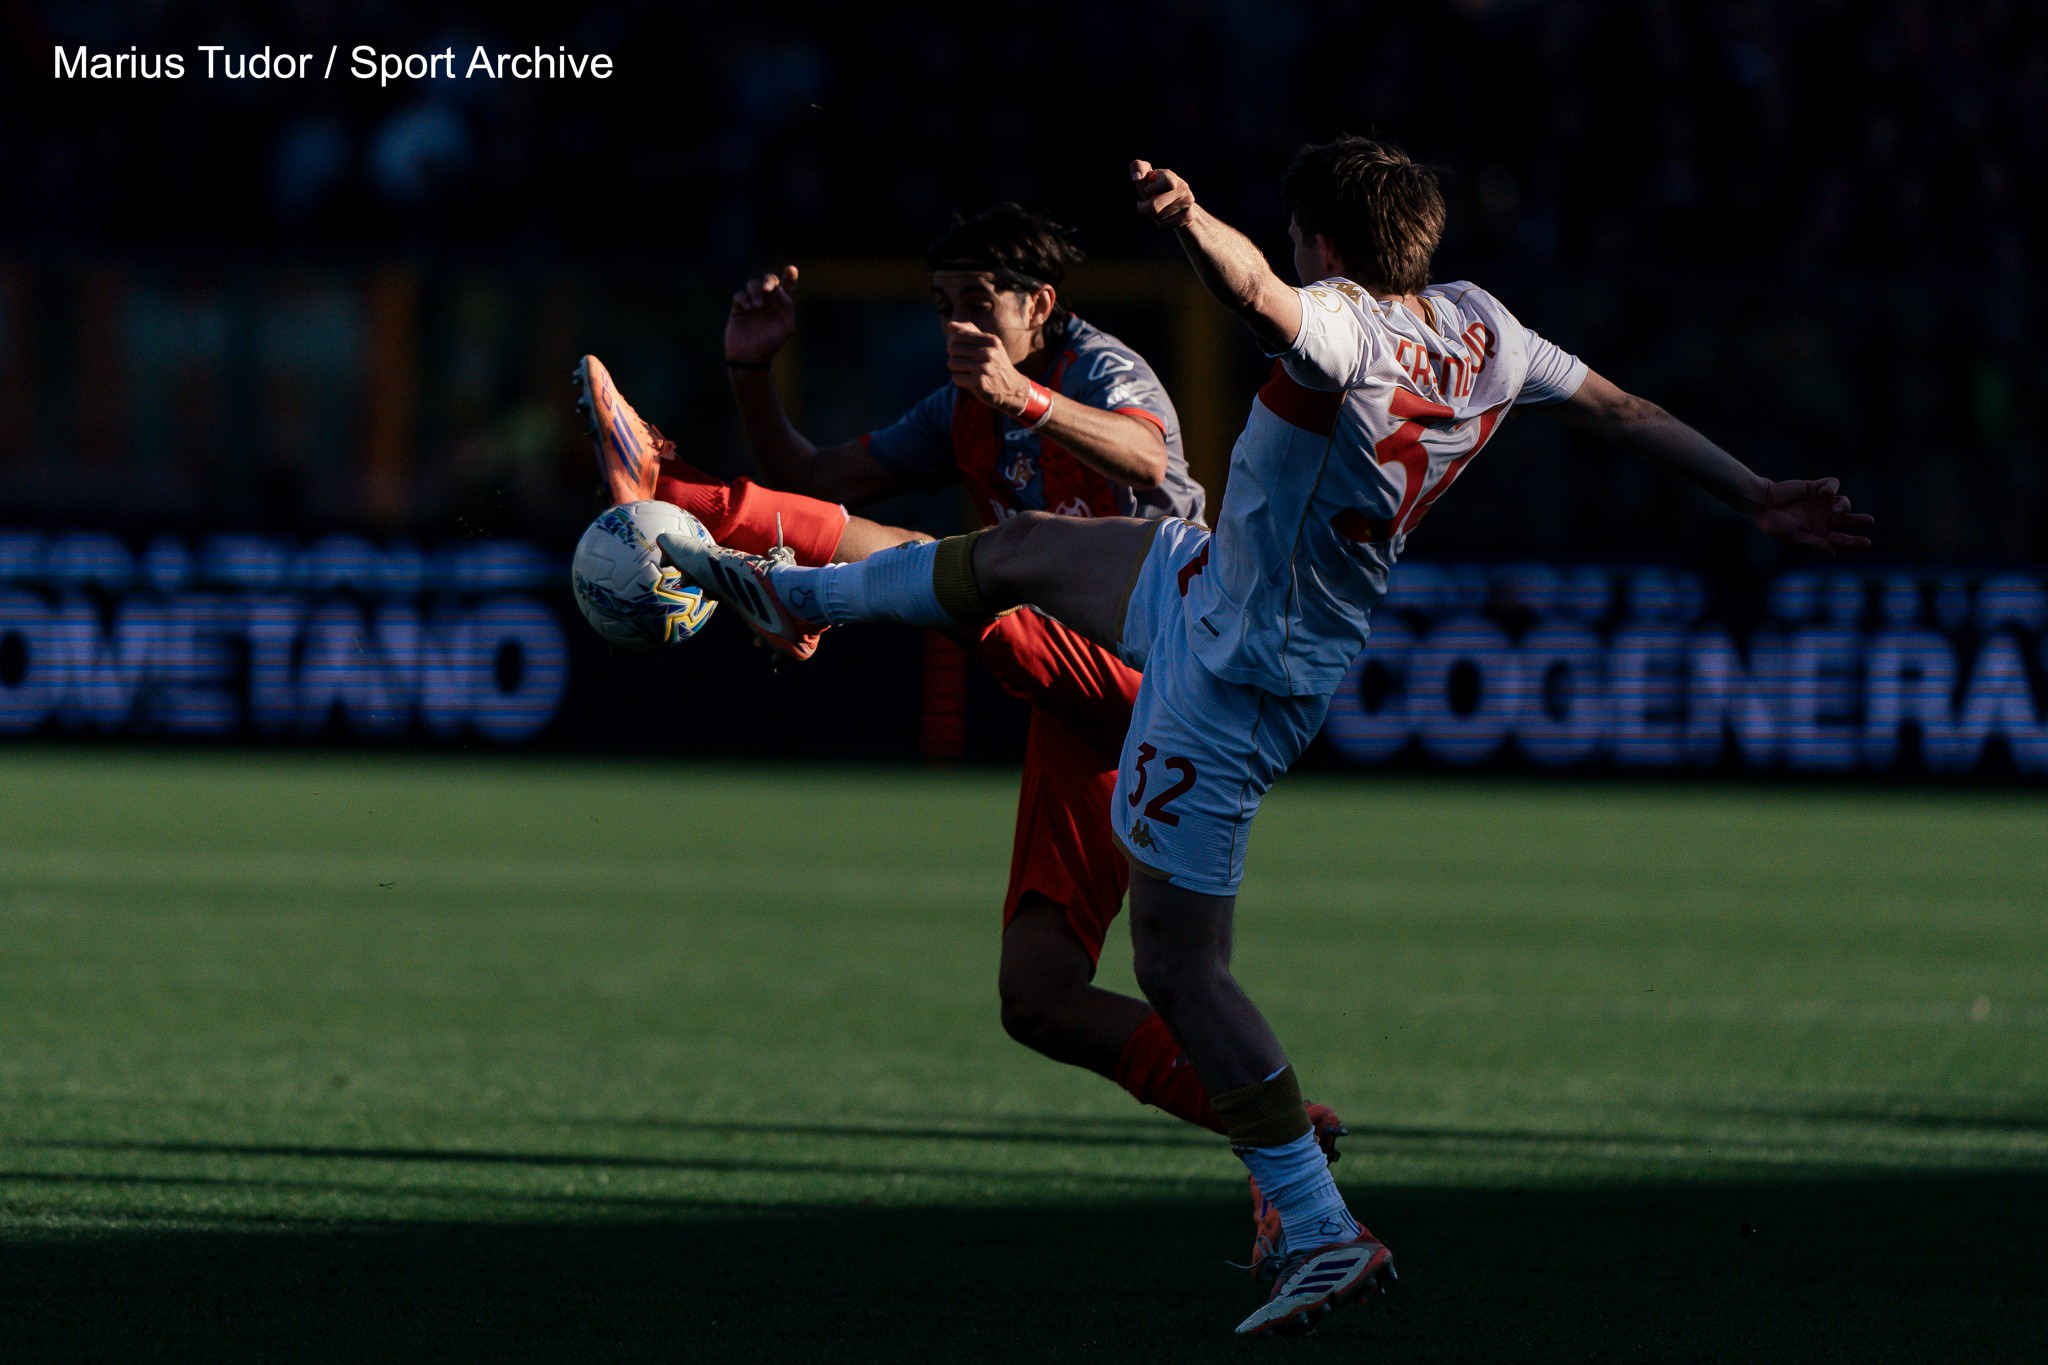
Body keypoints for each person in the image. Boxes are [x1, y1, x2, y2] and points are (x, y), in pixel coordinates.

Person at [660, 137, 1875, 1336]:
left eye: (1298, 234)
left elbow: (1250, 290)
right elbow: (1622, 407)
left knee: (1179, 970)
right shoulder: (1485, 327)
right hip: (1214, 577)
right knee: (1020, 551)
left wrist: (1189, 221)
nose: (1290, 253)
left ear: (1325, 241)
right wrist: (1752, 489)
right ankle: (792, 595)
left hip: (1236, 665)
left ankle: (1322, 1227)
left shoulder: (1348, 328)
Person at [575, 203, 1341, 1272]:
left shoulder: (1100, 368)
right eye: (942, 306)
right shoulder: (960, 407)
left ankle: (687, 501)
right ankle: (1279, 1147)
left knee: (960, 570)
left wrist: (1023, 397)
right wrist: (754, 373)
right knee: (1037, 997)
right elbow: (818, 477)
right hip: (1080, 711)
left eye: (978, 302)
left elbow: (1142, 450)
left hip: (1161, 660)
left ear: (1043, 305)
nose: (955, 325)